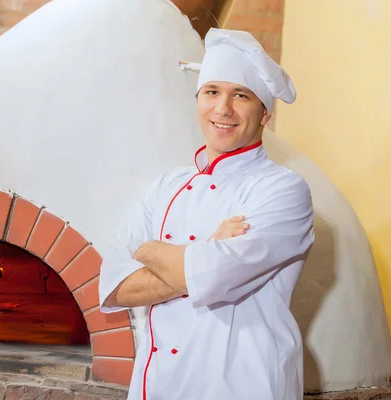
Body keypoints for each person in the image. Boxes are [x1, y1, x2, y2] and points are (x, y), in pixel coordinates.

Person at [98, 28, 315, 400]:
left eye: (241, 96)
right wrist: (204, 252)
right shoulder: (165, 186)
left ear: (264, 113)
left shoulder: (283, 190)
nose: (223, 109)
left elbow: (212, 278)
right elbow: (116, 288)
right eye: (212, 92)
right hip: (160, 383)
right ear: (198, 100)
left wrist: (149, 251)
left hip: (241, 383)